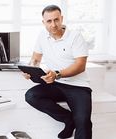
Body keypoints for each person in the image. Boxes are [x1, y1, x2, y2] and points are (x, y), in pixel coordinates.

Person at [23, 5, 92, 139]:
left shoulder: (75, 36)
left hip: (78, 86)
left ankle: (75, 121)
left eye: (56, 20)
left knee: (83, 121)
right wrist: (30, 70)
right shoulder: (42, 36)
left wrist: (57, 74)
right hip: (56, 85)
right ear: (43, 22)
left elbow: (80, 66)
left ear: (62, 19)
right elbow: (36, 59)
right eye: (49, 21)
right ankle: (68, 119)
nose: (53, 25)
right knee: (31, 96)